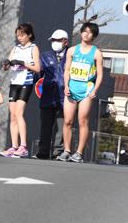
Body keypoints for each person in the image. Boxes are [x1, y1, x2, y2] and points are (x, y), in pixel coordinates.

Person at [58, 22, 104, 163]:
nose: (86, 34)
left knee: (83, 120)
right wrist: (66, 86)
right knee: (67, 121)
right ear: (81, 32)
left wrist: (95, 90)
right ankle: (66, 150)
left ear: (94, 36)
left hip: (86, 90)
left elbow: (100, 74)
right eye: (84, 31)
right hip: (71, 89)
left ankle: (78, 152)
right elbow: (66, 70)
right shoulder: (72, 50)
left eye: (90, 32)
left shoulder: (96, 53)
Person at [0, 23, 40, 158]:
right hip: (14, 82)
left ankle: (23, 146)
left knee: (19, 113)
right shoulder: (16, 48)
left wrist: (22, 63)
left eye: (22, 35)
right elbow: (7, 65)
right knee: (12, 116)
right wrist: (6, 64)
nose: (20, 38)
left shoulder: (33, 48)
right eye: (18, 36)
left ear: (29, 35)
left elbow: (37, 68)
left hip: (26, 82)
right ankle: (14, 146)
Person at [34, 29, 68, 160]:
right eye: (53, 40)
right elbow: (38, 73)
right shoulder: (45, 56)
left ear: (65, 41)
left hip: (65, 96)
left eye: (57, 40)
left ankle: (58, 152)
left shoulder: (71, 55)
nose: (54, 43)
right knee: (46, 125)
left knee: (62, 126)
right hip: (48, 95)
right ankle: (43, 151)